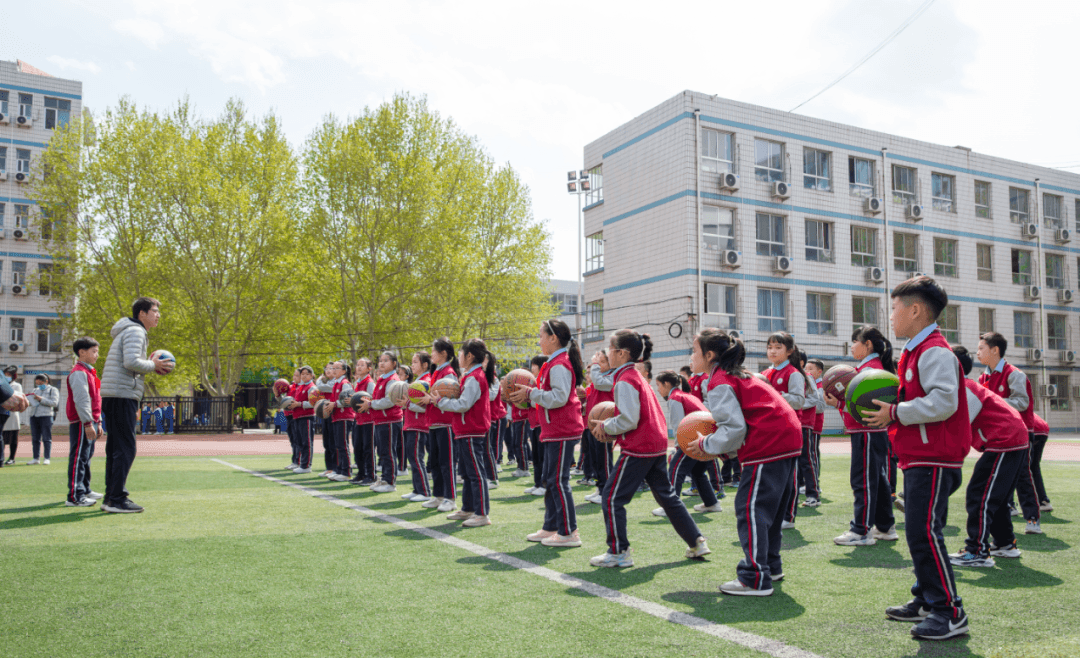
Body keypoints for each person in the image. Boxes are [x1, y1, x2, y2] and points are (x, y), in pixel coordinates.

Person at [863, 275, 971, 641]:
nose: (890, 316)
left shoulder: (935, 351)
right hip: (920, 456)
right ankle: (926, 599)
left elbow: (944, 402)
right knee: (922, 532)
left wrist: (895, 413)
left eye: (894, 308)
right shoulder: (914, 350)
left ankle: (949, 612)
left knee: (924, 533)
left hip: (935, 458)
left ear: (914, 310)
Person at [684, 328, 801, 596]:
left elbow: (734, 429)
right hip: (785, 437)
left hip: (770, 441)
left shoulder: (719, 381)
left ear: (710, 355)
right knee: (766, 511)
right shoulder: (737, 374)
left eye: (695, 350)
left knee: (750, 509)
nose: (692, 354)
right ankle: (770, 566)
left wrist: (705, 444)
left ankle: (754, 577)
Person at [589, 330, 710, 567]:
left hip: (639, 446)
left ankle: (618, 552)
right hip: (655, 445)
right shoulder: (635, 376)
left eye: (609, 350)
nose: (607, 354)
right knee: (667, 496)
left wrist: (606, 425)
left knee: (612, 497)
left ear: (621, 353)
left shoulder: (625, 380)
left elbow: (629, 420)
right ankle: (697, 541)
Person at [949, 346, 1029, 568]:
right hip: (1011, 439)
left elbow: (959, 427)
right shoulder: (962, 387)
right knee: (998, 496)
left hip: (1005, 440)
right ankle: (1004, 544)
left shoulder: (963, 389)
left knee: (980, 495)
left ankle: (977, 551)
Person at [510, 319, 585, 548]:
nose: (539, 340)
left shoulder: (560, 364)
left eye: (541, 335)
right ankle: (551, 526)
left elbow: (560, 398)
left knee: (558, 481)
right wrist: (530, 396)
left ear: (553, 338)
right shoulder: (553, 363)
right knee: (551, 480)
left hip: (562, 430)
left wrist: (532, 393)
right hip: (554, 430)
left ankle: (569, 531)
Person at [99, 297, 175, 513]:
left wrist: (150, 365)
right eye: (154, 311)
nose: (158, 315)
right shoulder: (136, 331)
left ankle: (111, 497)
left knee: (115, 448)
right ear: (142, 313)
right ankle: (116, 499)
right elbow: (131, 362)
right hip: (122, 394)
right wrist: (154, 364)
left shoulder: (127, 330)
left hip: (115, 394)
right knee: (126, 448)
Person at [825, 326, 898, 546]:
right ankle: (885, 527)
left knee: (863, 480)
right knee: (878, 480)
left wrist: (837, 403)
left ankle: (861, 530)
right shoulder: (870, 368)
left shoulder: (870, 370)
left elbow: (867, 407)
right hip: (871, 433)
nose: (852, 346)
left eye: (855, 341)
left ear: (867, 345)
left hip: (867, 432)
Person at [976, 332, 1042, 535]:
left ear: (995, 350)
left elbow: (1022, 402)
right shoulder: (983, 377)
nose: (977, 352)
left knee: (1023, 474)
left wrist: (994, 401)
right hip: (997, 435)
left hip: (1020, 433)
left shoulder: (1015, 374)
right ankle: (1008, 509)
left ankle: (1032, 518)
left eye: (981, 348)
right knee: (997, 474)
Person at [431, 339, 495, 527]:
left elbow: (464, 404)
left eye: (461, 353)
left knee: (476, 473)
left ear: (470, 356)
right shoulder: (470, 375)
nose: (458, 357)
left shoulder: (475, 377)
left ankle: (482, 514)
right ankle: (468, 509)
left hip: (472, 431)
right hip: (464, 430)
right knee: (467, 473)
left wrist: (440, 402)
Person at [653, 369, 723, 517]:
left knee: (675, 469)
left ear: (666, 384)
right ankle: (712, 503)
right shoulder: (685, 395)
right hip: (705, 438)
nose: (658, 389)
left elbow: (679, 425)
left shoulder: (675, 397)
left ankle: (670, 507)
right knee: (697, 472)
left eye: (658, 385)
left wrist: (679, 446)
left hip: (693, 439)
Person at [762, 332, 812, 526]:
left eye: (778, 347)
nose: (772, 351)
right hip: (768, 430)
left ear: (789, 351)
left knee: (789, 476)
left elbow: (799, 401)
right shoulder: (766, 373)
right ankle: (773, 513)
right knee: (770, 475)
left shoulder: (793, 373)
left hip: (787, 430)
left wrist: (776, 395)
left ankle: (788, 517)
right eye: (770, 347)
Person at [422, 338, 461, 513]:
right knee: (435, 462)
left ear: (443, 353)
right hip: (434, 422)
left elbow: (451, 396)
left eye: (433, 351)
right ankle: (438, 495)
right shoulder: (437, 372)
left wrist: (430, 399)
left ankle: (450, 498)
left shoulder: (449, 373)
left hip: (446, 423)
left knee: (447, 462)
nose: (431, 354)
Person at [66, 337, 103, 506]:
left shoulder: (89, 372)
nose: (97, 355)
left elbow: (96, 399)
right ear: (82, 352)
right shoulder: (79, 372)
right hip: (82, 421)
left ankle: (85, 489)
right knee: (79, 457)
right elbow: (82, 400)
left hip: (91, 420)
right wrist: (88, 422)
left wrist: (99, 421)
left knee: (86, 456)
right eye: (94, 351)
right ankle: (75, 495)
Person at [364, 352, 403, 492]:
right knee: (382, 451)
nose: (382, 363)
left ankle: (390, 481)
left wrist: (370, 404)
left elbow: (389, 401)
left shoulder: (392, 380)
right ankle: (385, 478)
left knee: (388, 452)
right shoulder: (382, 379)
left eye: (386, 360)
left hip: (390, 420)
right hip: (380, 420)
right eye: (380, 360)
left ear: (394, 363)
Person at [584, 349, 615, 504]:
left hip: (604, 424)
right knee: (596, 459)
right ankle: (600, 486)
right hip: (593, 423)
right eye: (598, 361)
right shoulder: (599, 378)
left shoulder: (612, 377)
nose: (599, 365)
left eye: (603, 362)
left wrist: (595, 365)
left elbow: (599, 382)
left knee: (604, 459)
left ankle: (606, 492)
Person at [401, 352, 433, 502]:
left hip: (419, 425)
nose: (412, 365)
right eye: (412, 362)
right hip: (411, 424)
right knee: (412, 458)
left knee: (416, 457)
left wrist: (407, 404)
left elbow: (425, 407)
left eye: (415, 362)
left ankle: (425, 491)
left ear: (425, 365)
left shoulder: (426, 382)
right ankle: (417, 489)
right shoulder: (418, 381)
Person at [325, 361, 355, 482]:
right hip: (337, 416)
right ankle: (339, 469)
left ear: (344, 371)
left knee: (342, 445)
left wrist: (334, 404)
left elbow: (347, 400)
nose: (334, 370)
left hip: (344, 417)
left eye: (337, 368)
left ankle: (346, 471)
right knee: (338, 445)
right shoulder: (336, 383)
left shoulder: (345, 383)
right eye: (333, 368)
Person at [522, 355, 547, 497]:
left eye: (534, 366)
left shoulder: (543, 382)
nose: (532, 369)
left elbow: (542, 400)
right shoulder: (534, 382)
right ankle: (537, 483)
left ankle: (544, 485)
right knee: (536, 457)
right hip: (534, 424)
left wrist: (528, 399)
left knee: (543, 457)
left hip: (542, 424)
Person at [351, 358, 377, 485]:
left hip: (368, 420)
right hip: (358, 419)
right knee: (358, 448)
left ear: (369, 369)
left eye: (362, 365)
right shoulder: (357, 383)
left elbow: (371, 399)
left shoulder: (370, 383)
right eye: (358, 364)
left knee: (368, 448)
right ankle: (361, 473)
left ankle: (371, 475)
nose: (359, 367)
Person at [286, 366, 316, 473]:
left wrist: (298, 404)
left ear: (312, 375)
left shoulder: (312, 388)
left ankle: (306, 466)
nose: (304, 375)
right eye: (302, 374)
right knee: (300, 441)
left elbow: (314, 404)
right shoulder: (300, 387)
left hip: (307, 417)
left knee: (306, 442)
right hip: (297, 417)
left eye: (307, 374)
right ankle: (302, 464)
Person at [27, 374, 59, 465]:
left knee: (46, 438)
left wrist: (40, 399)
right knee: (35, 438)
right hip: (34, 416)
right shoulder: (35, 390)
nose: (39, 385)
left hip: (46, 416)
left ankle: (47, 458)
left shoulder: (52, 390)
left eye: (41, 383)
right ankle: (36, 458)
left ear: (46, 381)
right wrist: (28, 401)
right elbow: (32, 403)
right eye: (37, 383)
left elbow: (54, 403)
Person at [1032, 412, 1051, 512]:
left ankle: (1010, 505)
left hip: (1030, 428)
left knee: (1018, 467)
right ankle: (1043, 501)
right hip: (1042, 427)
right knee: (1034, 467)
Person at [5, 367, 24, 463]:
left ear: (13, 376)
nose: (6, 376)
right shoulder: (2, 385)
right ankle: (1, 457)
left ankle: (12, 458)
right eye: (5, 374)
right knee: (2, 438)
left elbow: (17, 399)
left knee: (13, 438)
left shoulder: (17, 386)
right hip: (2, 414)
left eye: (9, 375)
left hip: (12, 415)